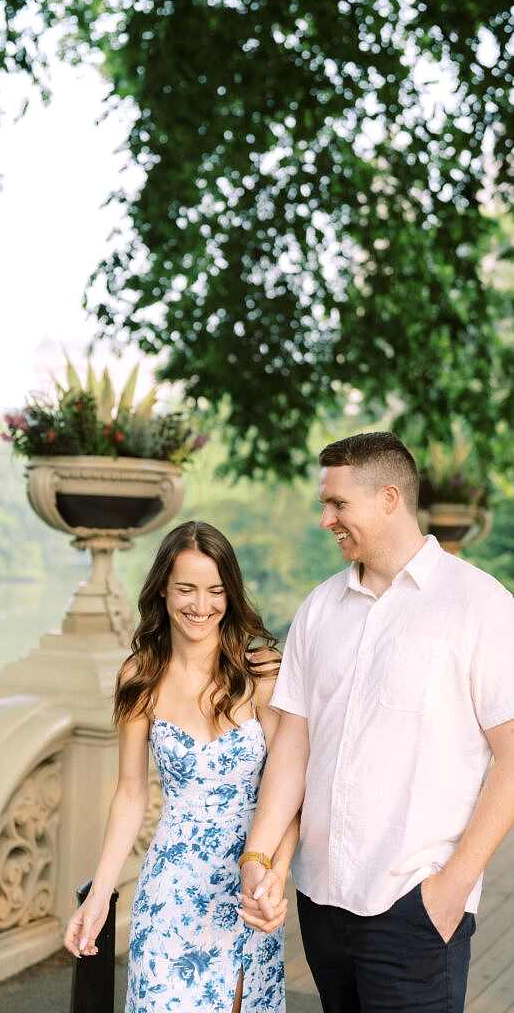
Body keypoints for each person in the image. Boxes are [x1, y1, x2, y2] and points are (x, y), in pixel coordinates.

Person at [239, 431, 514, 1012]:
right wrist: (259, 857)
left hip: (415, 908)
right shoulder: (319, 607)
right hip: (321, 902)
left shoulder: (479, 606)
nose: (325, 519)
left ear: (389, 498)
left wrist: (450, 889)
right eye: (324, 504)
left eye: (338, 504)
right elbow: (294, 743)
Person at [64, 520, 298, 1012]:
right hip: (169, 891)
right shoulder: (140, 676)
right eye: (186, 589)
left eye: (216, 591)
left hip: (246, 888)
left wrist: (276, 873)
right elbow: (131, 794)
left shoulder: (262, 673)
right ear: (163, 592)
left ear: (230, 595)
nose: (201, 605)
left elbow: (291, 786)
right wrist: (99, 897)